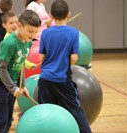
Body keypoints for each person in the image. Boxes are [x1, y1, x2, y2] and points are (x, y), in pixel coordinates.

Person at [37, 0, 92, 133]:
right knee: (76, 110)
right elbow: (73, 59)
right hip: (62, 80)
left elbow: (40, 58)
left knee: (46, 113)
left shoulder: (45, 33)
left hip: (45, 80)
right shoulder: (73, 33)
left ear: (51, 15)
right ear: (68, 14)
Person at [0, 10, 41, 133]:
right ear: (19, 25)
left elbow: (20, 64)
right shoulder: (9, 43)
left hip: (12, 83)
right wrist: (13, 88)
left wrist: (23, 85)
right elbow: (1, 68)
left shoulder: (28, 42)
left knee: (8, 121)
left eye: (36, 32)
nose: (33, 35)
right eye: (30, 31)